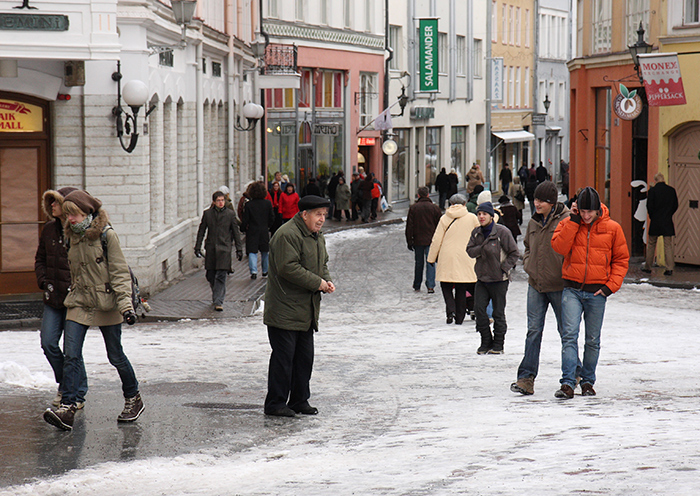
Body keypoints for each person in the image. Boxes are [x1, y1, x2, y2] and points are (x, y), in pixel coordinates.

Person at [43, 190, 143, 431]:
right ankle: (67, 407)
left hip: (106, 301)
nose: (70, 220)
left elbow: (120, 273)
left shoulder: (107, 236)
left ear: (86, 212)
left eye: (74, 214)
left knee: (115, 356)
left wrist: (126, 306)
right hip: (79, 301)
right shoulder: (71, 237)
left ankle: (133, 398)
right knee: (72, 354)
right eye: (67, 215)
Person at [551, 187, 629, 399]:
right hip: (572, 289)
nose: (586, 216)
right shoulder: (570, 223)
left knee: (592, 340)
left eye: (590, 212)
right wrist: (573, 222)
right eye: (582, 212)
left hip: (597, 293)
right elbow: (559, 247)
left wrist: (609, 287)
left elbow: (621, 260)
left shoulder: (613, 228)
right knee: (569, 336)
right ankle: (568, 383)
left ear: (598, 210)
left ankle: (587, 381)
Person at [263, 195, 335, 417]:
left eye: (324, 214)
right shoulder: (287, 235)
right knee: (284, 360)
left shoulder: (316, 236)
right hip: (285, 309)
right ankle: (275, 403)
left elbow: (322, 262)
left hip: (305, 309)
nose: (322, 219)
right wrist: (317, 283)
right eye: (317, 214)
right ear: (304, 215)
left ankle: (299, 400)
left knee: (304, 359)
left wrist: (326, 279)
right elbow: (288, 268)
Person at [510, 181, 572, 396]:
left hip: (559, 285)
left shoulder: (566, 220)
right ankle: (526, 378)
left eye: (541, 200)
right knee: (533, 331)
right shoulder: (534, 222)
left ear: (552, 202)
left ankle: (576, 374)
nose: (536, 203)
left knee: (566, 332)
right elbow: (527, 246)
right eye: (535, 199)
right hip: (536, 284)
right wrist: (528, 264)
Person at [35, 187, 88, 410]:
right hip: (53, 298)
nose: (52, 206)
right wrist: (44, 281)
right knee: (48, 343)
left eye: (55, 202)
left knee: (72, 350)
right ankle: (68, 384)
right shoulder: (48, 230)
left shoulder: (77, 230)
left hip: (75, 299)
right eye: (51, 204)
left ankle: (75, 393)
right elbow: (40, 259)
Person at [467, 202, 519, 354]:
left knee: (498, 313)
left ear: (491, 216)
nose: (481, 217)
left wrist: (503, 268)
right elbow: (470, 251)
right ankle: (485, 341)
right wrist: (481, 248)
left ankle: (498, 344)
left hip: (499, 280)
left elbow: (514, 253)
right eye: (479, 214)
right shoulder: (477, 232)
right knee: (479, 310)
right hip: (482, 278)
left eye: (484, 214)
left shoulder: (502, 232)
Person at [428, 194, 480, 324]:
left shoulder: (444, 218)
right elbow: (479, 236)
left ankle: (451, 310)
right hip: (466, 255)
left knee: (446, 284)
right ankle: (460, 317)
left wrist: (431, 258)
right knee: (462, 287)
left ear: (450, 204)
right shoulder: (472, 218)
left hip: (447, 255)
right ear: (464, 203)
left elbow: (436, 240)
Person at [195, 190, 244, 311]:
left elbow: (236, 232)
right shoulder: (208, 214)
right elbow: (202, 231)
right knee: (210, 275)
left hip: (224, 249)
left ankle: (218, 301)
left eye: (223, 200)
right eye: (218, 201)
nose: (221, 203)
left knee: (221, 276)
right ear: (214, 202)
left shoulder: (230, 214)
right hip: (211, 248)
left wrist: (239, 249)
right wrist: (198, 246)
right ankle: (216, 294)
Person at [406, 186, 442, 293]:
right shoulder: (435, 208)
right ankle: (430, 286)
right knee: (430, 262)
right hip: (431, 240)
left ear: (418, 195)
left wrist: (409, 241)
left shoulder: (413, 208)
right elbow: (440, 226)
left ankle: (417, 284)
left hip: (418, 240)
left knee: (419, 263)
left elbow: (409, 226)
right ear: (428, 195)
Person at [642, 173, 678, 276]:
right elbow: (675, 205)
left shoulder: (652, 191)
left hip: (655, 221)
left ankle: (648, 266)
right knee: (668, 245)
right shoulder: (671, 190)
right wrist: (668, 214)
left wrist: (653, 216)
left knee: (652, 244)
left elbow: (649, 206)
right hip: (667, 221)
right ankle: (669, 268)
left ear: (655, 180)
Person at [242, 182, 275, 280]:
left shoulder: (248, 205)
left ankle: (254, 271)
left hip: (252, 231)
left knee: (252, 251)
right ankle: (265, 270)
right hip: (263, 230)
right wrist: (268, 226)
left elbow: (245, 219)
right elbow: (272, 217)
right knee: (265, 251)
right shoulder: (267, 203)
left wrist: (243, 228)